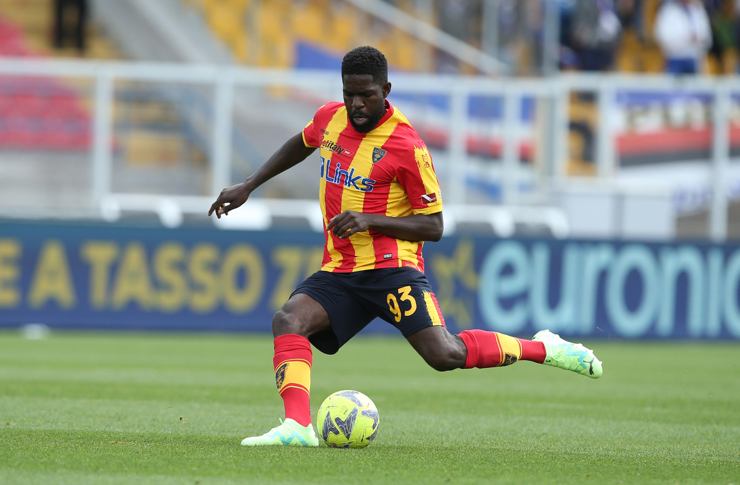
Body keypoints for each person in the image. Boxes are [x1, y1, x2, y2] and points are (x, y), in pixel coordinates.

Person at [208, 46, 603, 447]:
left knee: (444, 354)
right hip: (343, 268)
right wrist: (249, 184)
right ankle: (297, 427)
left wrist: (370, 220)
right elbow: (301, 142)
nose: (357, 104)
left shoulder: (407, 146)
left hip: (394, 270)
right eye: (350, 94)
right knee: (289, 320)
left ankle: (542, 348)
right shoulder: (331, 118)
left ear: (386, 89)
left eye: (367, 95)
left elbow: (434, 226)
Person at [654, 0, 712, 74]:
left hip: (695, 59)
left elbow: (706, 37)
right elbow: (661, 36)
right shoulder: (668, 10)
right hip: (674, 59)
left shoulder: (697, 9)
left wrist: (698, 40)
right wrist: (686, 39)